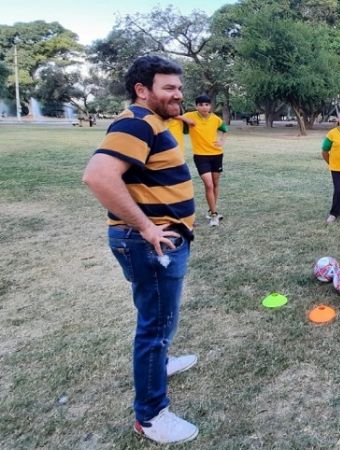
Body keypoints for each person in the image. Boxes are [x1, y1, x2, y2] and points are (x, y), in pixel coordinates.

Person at [82, 55, 199, 445]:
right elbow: (98, 176)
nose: (178, 94)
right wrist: (147, 227)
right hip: (149, 244)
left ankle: (160, 365)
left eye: (179, 87)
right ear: (141, 90)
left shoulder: (152, 121)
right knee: (155, 326)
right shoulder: (136, 123)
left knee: (160, 318)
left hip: (159, 242)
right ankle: (150, 416)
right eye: (169, 88)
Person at [184, 95, 228, 227]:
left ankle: (211, 209)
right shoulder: (190, 116)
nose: (204, 107)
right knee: (209, 185)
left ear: (210, 106)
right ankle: (214, 215)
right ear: (196, 106)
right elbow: (177, 117)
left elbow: (224, 129)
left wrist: (221, 141)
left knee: (215, 184)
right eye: (201, 105)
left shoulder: (215, 119)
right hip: (201, 156)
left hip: (217, 155)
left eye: (207, 105)